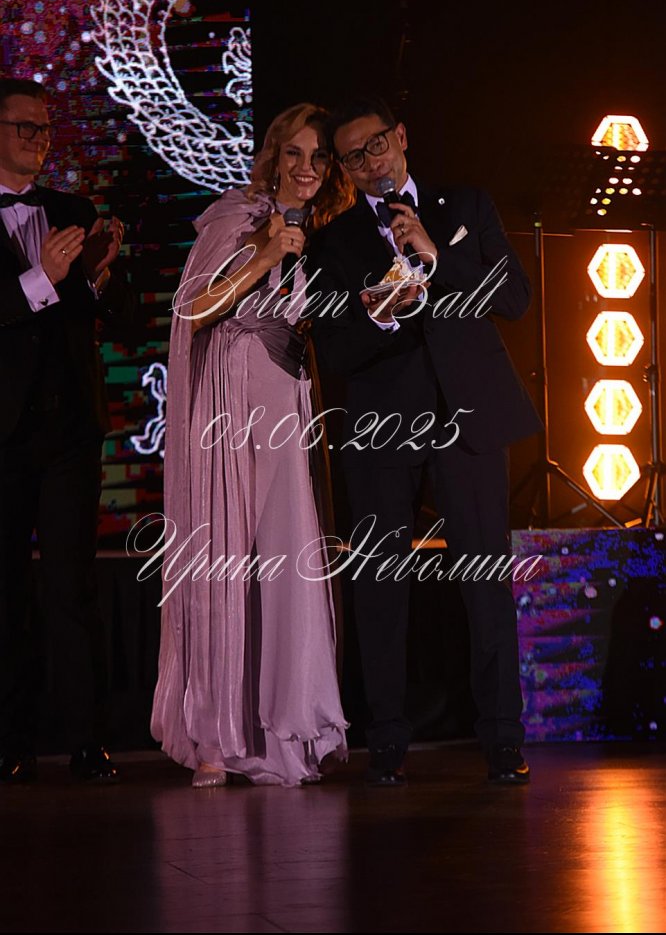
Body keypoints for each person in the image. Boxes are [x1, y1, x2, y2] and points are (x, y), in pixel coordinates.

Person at [308, 96, 543, 786]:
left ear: (402, 136)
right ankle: (385, 738)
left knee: (484, 579)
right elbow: (334, 349)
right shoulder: (336, 240)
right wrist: (381, 317)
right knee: (382, 581)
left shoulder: (463, 204)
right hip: (384, 424)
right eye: (353, 156)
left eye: (377, 144)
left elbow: (515, 298)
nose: (370, 162)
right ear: (344, 167)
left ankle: (502, 737)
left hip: (468, 413)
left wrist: (436, 259)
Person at [151, 103, 353, 787]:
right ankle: (217, 732)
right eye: (294, 153)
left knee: (288, 555)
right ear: (273, 156)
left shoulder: (327, 233)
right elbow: (193, 308)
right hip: (231, 394)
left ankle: (288, 730)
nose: (305, 167)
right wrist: (265, 253)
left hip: (288, 396)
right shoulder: (238, 217)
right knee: (226, 548)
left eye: (319, 157)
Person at [0, 77, 134, 782]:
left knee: (72, 586)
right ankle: (10, 740)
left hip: (71, 431)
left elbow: (120, 314)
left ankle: (87, 739)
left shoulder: (73, 211)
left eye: (46, 128)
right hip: (3, 432)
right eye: (25, 126)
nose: (39, 139)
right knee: (5, 590)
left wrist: (101, 276)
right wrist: (41, 279)